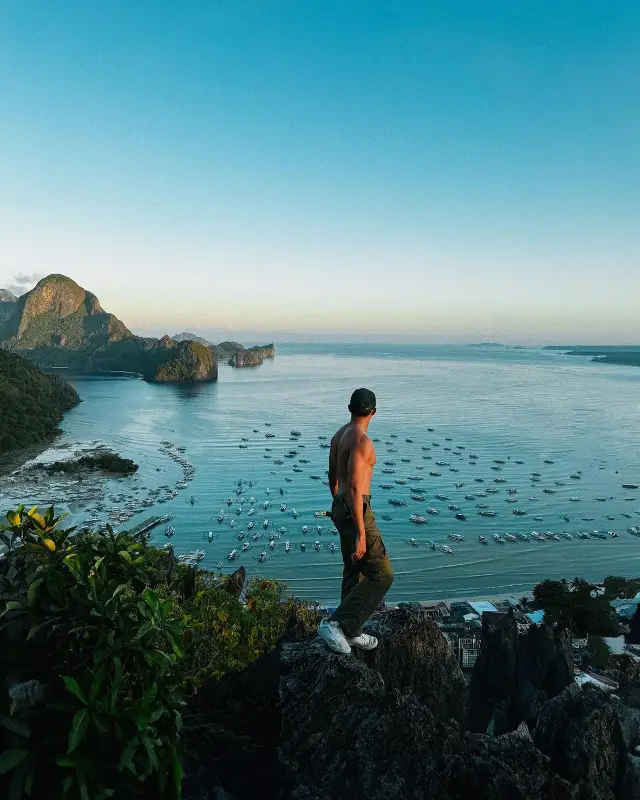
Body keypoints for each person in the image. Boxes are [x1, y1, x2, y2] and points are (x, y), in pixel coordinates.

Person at [317, 388, 394, 654]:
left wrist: (338, 506)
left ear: (350, 408)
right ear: (373, 411)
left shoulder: (339, 435)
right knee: (382, 574)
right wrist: (361, 531)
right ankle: (335, 624)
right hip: (356, 508)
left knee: (354, 569)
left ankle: (350, 631)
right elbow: (354, 490)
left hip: (340, 506)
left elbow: (333, 477)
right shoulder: (362, 441)